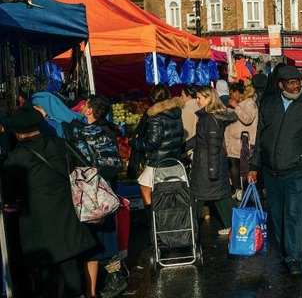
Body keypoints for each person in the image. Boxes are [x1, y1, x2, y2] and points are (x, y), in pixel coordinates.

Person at [247, 65, 302, 277]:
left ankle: (293, 257)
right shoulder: (268, 105)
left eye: (298, 82)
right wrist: (253, 166)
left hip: (296, 171)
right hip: (270, 171)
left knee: (294, 214)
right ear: (280, 85)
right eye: (291, 82)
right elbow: (260, 139)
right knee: (277, 216)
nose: (296, 86)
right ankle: (285, 249)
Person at [2, 105, 95, 297]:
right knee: (70, 265)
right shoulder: (58, 143)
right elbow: (82, 167)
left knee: (47, 272)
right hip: (67, 211)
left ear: (18, 134)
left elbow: (8, 194)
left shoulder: (16, 157)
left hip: (38, 222)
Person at [69, 95, 127, 298]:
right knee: (106, 229)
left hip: (93, 189)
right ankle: (112, 275)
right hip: (103, 188)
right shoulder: (107, 129)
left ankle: (112, 276)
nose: (82, 107)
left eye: (84, 105)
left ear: (90, 110)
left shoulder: (87, 132)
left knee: (98, 231)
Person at [128, 84, 185, 220]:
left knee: (144, 187)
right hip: (174, 158)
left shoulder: (155, 116)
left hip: (159, 160)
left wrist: (134, 142)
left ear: (152, 97)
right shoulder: (176, 112)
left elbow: (152, 142)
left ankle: (153, 217)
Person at [187, 86, 238, 236]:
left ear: (209, 99)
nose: (197, 101)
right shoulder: (208, 118)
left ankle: (190, 230)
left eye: (199, 98)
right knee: (219, 196)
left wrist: (212, 171)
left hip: (207, 166)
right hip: (208, 165)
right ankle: (231, 227)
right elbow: (200, 139)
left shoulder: (210, 119)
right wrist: (183, 146)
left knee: (200, 197)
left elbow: (214, 146)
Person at [224, 81, 258, 201]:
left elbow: (247, 119)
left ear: (237, 92)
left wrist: (236, 107)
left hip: (244, 142)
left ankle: (248, 191)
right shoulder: (234, 104)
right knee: (233, 165)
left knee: (245, 168)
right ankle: (237, 189)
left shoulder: (249, 103)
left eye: (231, 93)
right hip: (233, 143)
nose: (230, 96)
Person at [180, 86, 200, 158]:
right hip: (199, 146)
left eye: (182, 96)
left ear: (189, 97)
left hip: (187, 146)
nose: (180, 98)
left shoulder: (184, 110)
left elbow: (185, 132)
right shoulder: (200, 107)